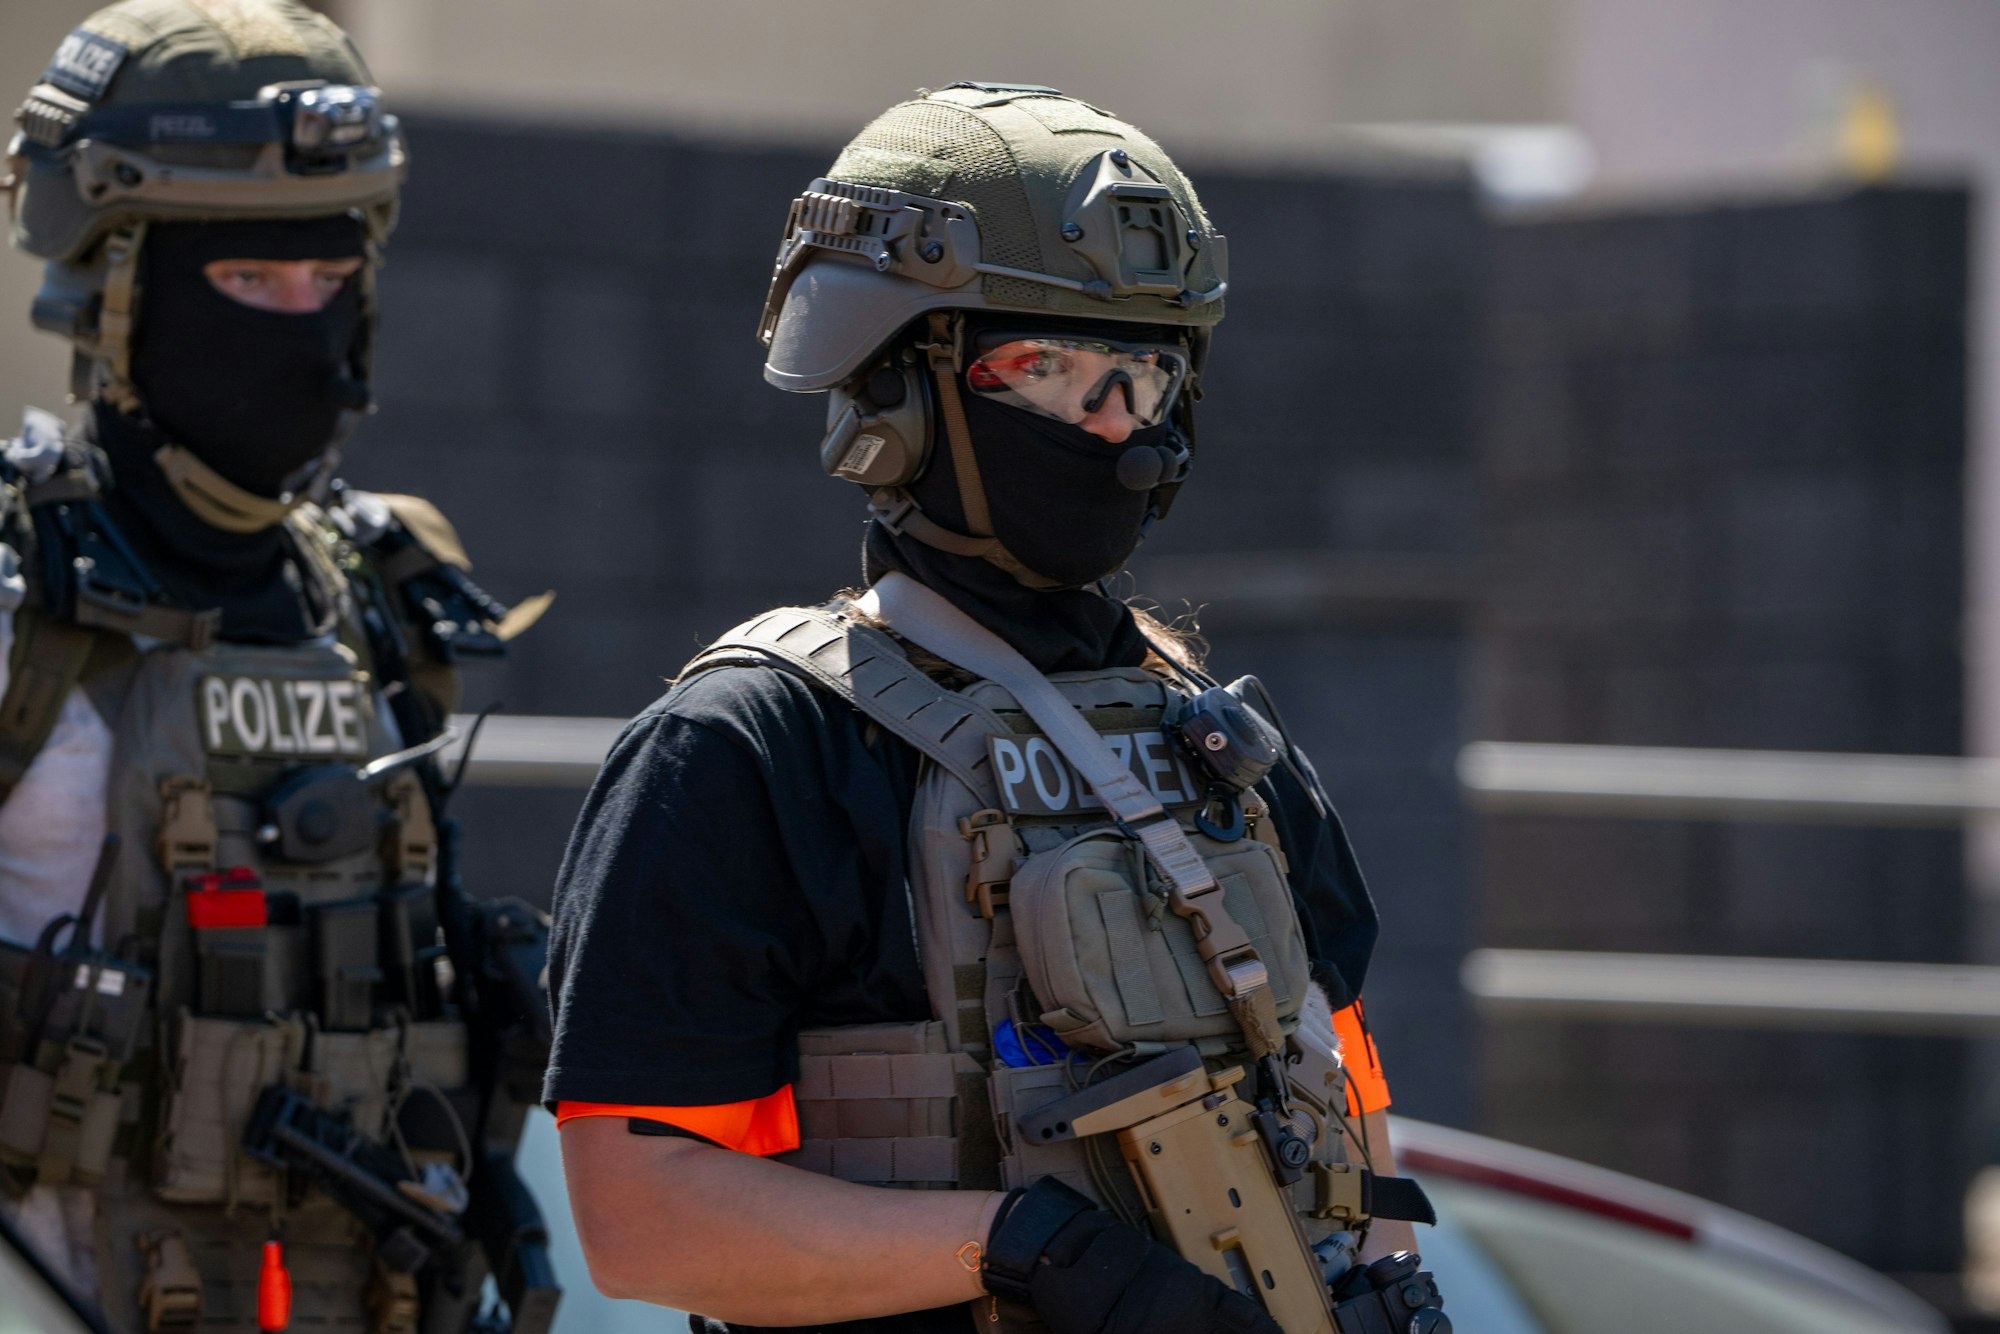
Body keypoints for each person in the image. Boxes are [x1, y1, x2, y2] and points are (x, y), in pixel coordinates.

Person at [547, 83, 1446, 1334]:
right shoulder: (749, 750)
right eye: (1049, 368)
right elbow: (643, 1219)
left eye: (1142, 376)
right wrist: (1021, 1249)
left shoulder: (1222, 753)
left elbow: (1350, 1147)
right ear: (897, 391)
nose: (1115, 430)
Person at [0, 2, 557, 1330]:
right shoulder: (24, 603)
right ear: (114, 284)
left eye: (330, 281)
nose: (302, 329)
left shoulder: (379, 587)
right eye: (250, 282)